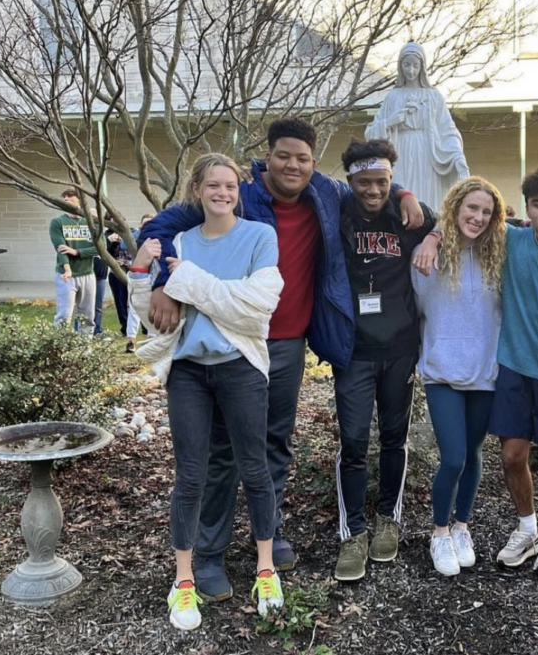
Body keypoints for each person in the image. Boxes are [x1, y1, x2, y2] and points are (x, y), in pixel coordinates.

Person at [138, 118, 424, 602]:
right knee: (224, 450)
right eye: (284, 155)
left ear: (313, 164)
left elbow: (371, 187)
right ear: (267, 156)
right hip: (231, 340)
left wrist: (406, 194)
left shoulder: (325, 194)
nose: (294, 165)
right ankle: (209, 551)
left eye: (303, 158)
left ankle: (265, 537)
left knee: (273, 442)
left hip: (289, 339)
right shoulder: (240, 193)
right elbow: (160, 227)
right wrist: (165, 282)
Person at [128, 153, 285, 631]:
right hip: (190, 373)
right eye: (213, 185)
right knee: (190, 476)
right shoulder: (178, 241)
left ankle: (266, 570)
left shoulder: (260, 236)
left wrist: (189, 281)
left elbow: (257, 312)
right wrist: (141, 272)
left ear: (240, 191)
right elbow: (151, 314)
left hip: (241, 369)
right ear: (198, 189)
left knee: (255, 469)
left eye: (231, 186)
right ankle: (184, 581)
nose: (222, 193)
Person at [417, 168, 538, 578]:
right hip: (508, 368)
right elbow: (464, 219)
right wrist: (434, 234)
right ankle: (523, 530)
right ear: (526, 208)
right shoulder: (508, 239)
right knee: (506, 455)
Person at [332, 138, 436, 582]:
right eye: (364, 181)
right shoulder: (337, 211)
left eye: (383, 182)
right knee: (353, 443)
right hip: (353, 351)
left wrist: (427, 228)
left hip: (398, 348)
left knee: (395, 439)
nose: (373, 190)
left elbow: (459, 219)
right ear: (350, 179)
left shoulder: (408, 213)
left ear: (392, 180)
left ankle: (388, 518)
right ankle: (352, 531)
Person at [411, 177, 506, 576]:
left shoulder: (500, 255)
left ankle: (463, 526)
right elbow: (413, 310)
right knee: (453, 457)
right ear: (454, 208)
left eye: (486, 212)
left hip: (486, 371)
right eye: (472, 208)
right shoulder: (425, 256)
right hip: (443, 372)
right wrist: (433, 236)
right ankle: (439, 531)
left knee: (474, 454)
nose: (478, 217)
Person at [366, 41, 470, 214]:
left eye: (415, 65)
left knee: (427, 197)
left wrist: (457, 155)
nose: (411, 70)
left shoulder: (433, 96)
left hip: (427, 152)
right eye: (407, 65)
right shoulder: (393, 96)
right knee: (402, 191)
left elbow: (447, 130)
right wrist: (389, 122)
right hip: (400, 151)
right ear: (400, 66)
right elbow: (370, 133)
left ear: (422, 66)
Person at [49, 188, 98, 334]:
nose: (65, 198)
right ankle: (58, 350)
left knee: (88, 316)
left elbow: (100, 248)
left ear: (80, 200)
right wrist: (67, 269)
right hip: (66, 275)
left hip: (88, 273)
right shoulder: (57, 222)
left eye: (69, 196)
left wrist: (77, 252)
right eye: (63, 196)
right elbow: (61, 249)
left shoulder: (90, 222)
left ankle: (86, 350)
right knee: (64, 315)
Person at [108, 214, 153, 352]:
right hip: (137, 275)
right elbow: (123, 244)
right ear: (140, 225)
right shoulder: (134, 235)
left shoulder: (157, 236)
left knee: (151, 307)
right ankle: (131, 340)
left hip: (152, 276)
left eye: (149, 224)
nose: (146, 226)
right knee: (134, 308)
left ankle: (151, 339)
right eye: (144, 224)